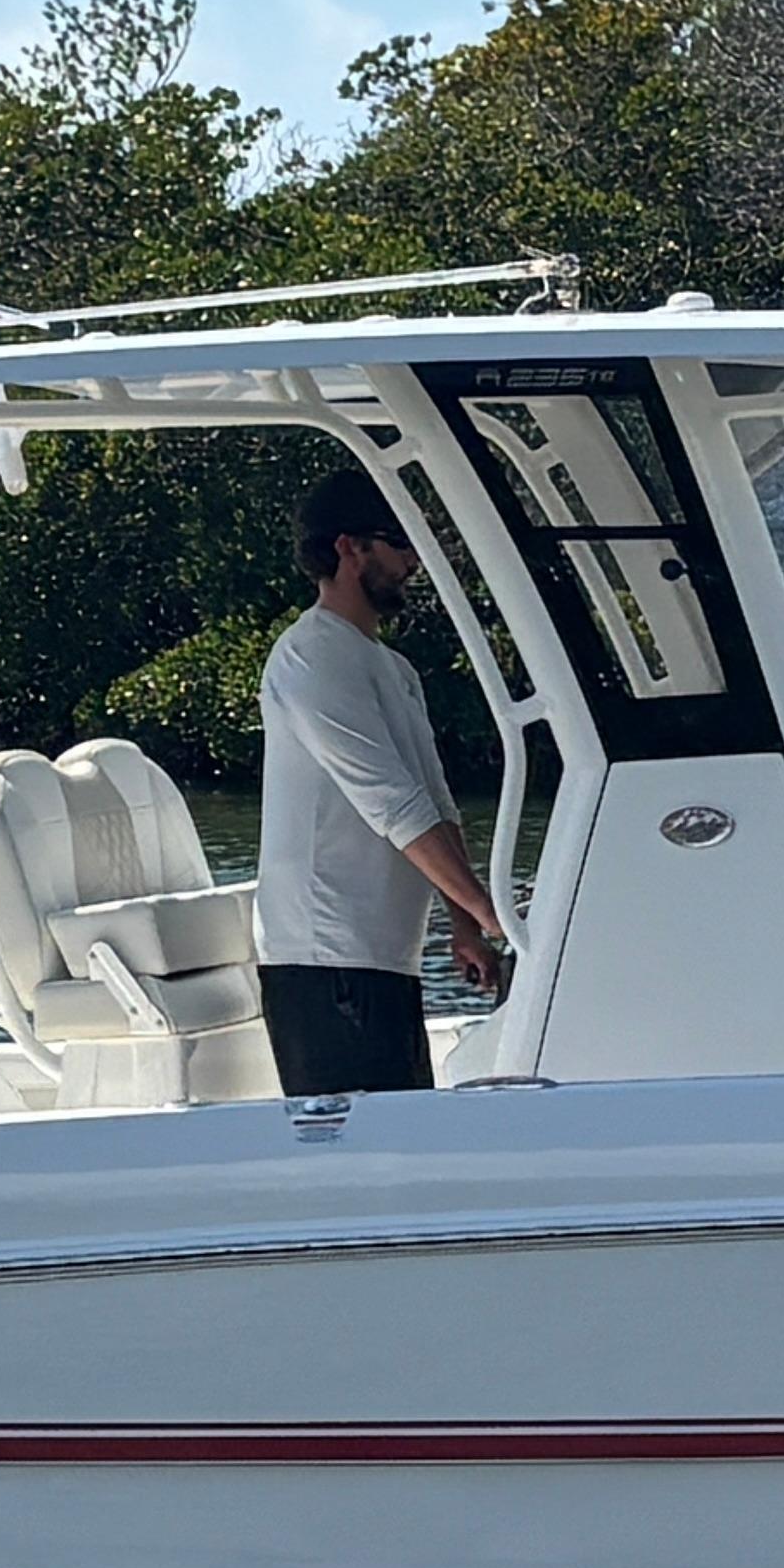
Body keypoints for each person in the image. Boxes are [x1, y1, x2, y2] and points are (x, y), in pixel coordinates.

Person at [256, 465, 509, 1095]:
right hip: (324, 959)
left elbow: (433, 802)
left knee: (404, 1143)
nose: (412, 564)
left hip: (385, 957)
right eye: (399, 544)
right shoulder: (311, 655)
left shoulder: (394, 669)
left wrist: (465, 921)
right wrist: (488, 906)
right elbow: (389, 804)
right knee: (366, 1163)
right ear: (349, 547)